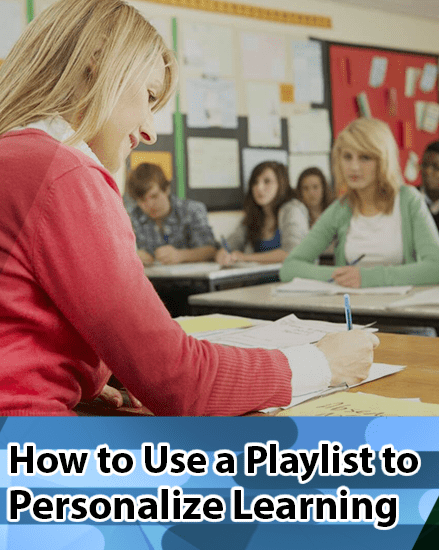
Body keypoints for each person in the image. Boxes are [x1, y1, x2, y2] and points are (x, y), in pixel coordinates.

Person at [0, 0, 379, 416]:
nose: (149, 129)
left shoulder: (14, 159)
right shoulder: (63, 173)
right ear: (95, 61)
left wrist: (84, 374)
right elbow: (179, 383)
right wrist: (323, 363)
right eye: (147, 96)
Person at [280, 118, 439, 289]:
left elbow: (435, 269)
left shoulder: (409, 200)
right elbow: (289, 267)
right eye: (347, 157)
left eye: (365, 157)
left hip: (399, 309)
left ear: (383, 160)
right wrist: (341, 276)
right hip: (352, 309)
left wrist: (367, 277)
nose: (354, 167)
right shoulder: (342, 208)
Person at [216, 161, 309, 266]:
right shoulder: (254, 215)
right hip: (258, 280)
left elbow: (292, 253)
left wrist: (245, 257)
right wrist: (222, 253)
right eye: (255, 182)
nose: (259, 188)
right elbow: (230, 244)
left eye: (267, 181)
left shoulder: (292, 209)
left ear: (281, 184)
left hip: (291, 279)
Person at [126, 163, 216, 266]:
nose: (150, 205)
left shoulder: (192, 210)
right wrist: (133, 255)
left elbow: (211, 251)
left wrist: (180, 255)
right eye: (142, 200)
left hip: (190, 280)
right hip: (152, 280)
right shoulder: (130, 217)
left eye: (154, 196)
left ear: (167, 189)